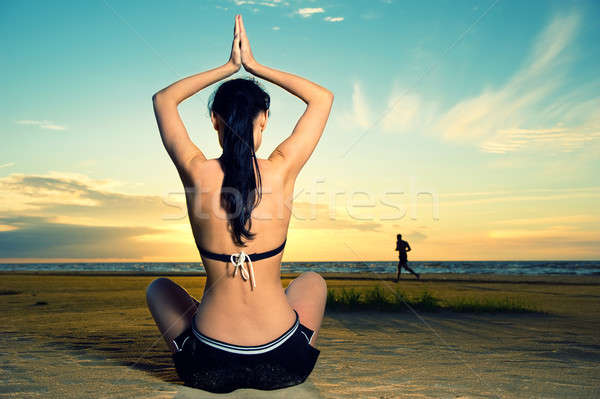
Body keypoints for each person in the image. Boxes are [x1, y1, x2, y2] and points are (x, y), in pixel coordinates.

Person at [145, 14, 333, 393]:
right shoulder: (282, 170)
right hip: (284, 362)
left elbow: (163, 99)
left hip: (207, 365)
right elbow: (321, 98)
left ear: (215, 121)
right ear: (262, 121)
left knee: (158, 287)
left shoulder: (196, 171)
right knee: (313, 281)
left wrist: (226, 68)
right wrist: (255, 66)